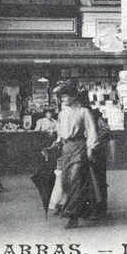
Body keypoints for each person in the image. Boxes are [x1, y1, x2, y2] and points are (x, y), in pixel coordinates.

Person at [48, 82, 99, 229]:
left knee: (76, 180)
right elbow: (60, 134)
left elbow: (91, 132)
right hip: (66, 149)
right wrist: (55, 145)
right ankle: (76, 210)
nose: (62, 99)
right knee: (65, 182)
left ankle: (73, 216)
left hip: (79, 148)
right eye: (61, 97)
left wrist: (90, 149)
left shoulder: (84, 112)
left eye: (64, 96)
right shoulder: (62, 114)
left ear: (74, 97)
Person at [80, 90, 111, 219]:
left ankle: (100, 209)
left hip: (96, 151)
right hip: (82, 150)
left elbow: (105, 130)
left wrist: (94, 139)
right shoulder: (78, 114)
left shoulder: (95, 115)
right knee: (86, 181)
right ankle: (87, 209)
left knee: (98, 180)